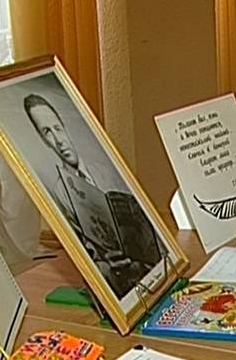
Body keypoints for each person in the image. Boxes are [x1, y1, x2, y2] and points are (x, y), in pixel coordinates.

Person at [23, 94, 162, 297]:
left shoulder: (105, 171)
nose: (58, 140)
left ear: (65, 128)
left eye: (57, 128)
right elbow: (84, 249)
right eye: (47, 132)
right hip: (114, 274)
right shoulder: (61, 191)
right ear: (43, 140)